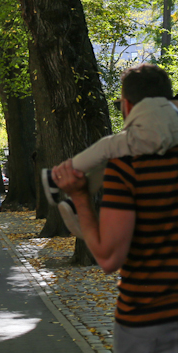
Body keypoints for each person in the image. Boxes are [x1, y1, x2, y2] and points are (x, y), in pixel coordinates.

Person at [54, 64, 178, 352]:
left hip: (149, 322)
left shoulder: (126, 167)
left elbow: (109, 258)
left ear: (128, 106)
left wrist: (80, 197)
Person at [42, 64, 178, 238]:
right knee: (108, 164)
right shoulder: (169, 106)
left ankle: (57, 176)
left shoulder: (149, 109)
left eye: (119, 104)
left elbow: (107, 253)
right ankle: (72, 198)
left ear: (127, 104)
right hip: (158, 142)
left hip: (144, 139)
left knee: (106, 148)